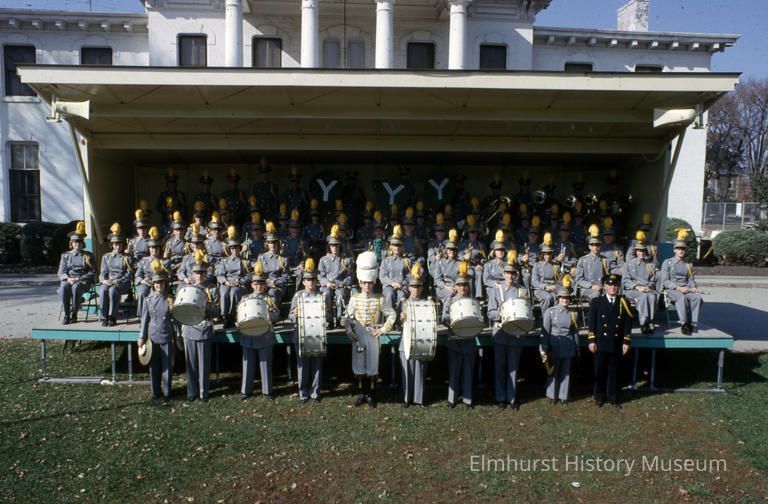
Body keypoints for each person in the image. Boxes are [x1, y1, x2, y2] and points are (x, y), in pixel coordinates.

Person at [346, 252, 396, 408]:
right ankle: (361, 393)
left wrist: (383, 329)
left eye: (370, 283)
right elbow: (346, 317)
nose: (367, 286)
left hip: (373, 334)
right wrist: (349, 331)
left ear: (373, 283)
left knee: (372, 365)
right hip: (358, 334)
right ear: (360, 283)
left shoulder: (380, 298)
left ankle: (372, 394)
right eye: (364, 283)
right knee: (359, 364)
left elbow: (392, 315)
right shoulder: (354, 298)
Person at [486, 256, 528, 410]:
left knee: (513, 368)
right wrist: (503, 313)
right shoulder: (496, 290)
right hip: (501, 332)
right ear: (503, 274)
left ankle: (512, 398)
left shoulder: (521, 290)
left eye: (513, 273)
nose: (510, 276)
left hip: (515, 333)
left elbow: (525, 309)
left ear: (516, 275)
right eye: (508, 273)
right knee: (500, 367)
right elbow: (490, 313)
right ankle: (500, 398)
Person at [588, 273, 632, 408]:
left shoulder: (624, 302)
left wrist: (626, 341)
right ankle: (599, 397)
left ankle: (613, 397)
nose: (613, 287)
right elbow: (592, 322)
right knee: (599, 371)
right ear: (605, 286)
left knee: (614, 372)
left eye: (616, 285)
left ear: (619, 287)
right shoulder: (596, 302)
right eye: (610, 284)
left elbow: (627, 323)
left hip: (616, 342)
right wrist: (591, 340)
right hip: (601, 342)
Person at [137, 260, 178, 401]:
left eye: (161, 283)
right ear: (153, 285)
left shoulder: (170, 300)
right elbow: (144, 320)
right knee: (153, 365)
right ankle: (155, 391)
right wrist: (142, 337)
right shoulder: (148, 300)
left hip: (167, 335)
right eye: (156, 283)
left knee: (167, 366)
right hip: (153, 336)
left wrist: (178, 335)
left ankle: (167, 391)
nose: (158, 285)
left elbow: (176, 319)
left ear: (165, 284)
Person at [181, 251, 219, 403]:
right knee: (190, 363)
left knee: (204, 363)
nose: (200, 276)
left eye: (202, 272)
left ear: (206, 273)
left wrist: (206, 307)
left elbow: (217, 311)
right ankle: (191, 392)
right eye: (197, 273)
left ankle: (204, 393)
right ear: (192, 274)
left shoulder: (212, 289)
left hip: (204, 327)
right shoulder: (185, 288)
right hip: (189, 327)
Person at [239, 263, 280, 401]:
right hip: (248, 334)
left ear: (265, 286)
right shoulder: (245, 299)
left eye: (261, 284)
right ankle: (246, 390)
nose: (259, 287)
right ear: (252, 285)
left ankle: (267, 391)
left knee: (265, 363)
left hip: (264, 335)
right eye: (256, 284)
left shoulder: (269, 299)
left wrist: (267, 316)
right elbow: (239, 314)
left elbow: (276, 315)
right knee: (247, 364)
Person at [442, 263, 478, 409]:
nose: (462, 288)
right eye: (459, 285)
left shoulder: (473, 301)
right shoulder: (450, 300)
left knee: (468, 370)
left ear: (468, 286)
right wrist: (452, 324)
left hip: (469, 339)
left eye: (465, 285)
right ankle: (452, 399)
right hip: (455, 339)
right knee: (454, 370)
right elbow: (444, 317)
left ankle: (468, 399)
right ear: (455, 286)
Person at [289, 259, 326, 402]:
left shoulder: (322, 296)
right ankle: (303, 392)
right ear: (303, 282)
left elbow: (328, 316)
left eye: (313, 280)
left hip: (317, 333)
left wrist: (324, 314)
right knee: (302, 365)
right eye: (308, 280)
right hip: (301, 333)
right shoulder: (298, 296)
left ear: (316, 281)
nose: (311, 283)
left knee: (317, 364)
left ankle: (315, 392)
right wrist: (295, 314)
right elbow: (290, 315)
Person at [540, 276, 578, 405]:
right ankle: (552, 395)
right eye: (562, 298)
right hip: (554, 345)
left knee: (565, 372)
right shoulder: (550, 312)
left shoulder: (573, 314)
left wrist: (577, 346)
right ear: (558, 299)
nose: (565, 300)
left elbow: (574, 331)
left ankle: (563, 396)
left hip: (567, 345)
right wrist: (543, 348)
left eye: (567, 298)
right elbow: (545, 331)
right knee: (553, 371)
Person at [399, 264, 429, 408]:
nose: (416, 289)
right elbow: (399, 321)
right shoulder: (404, 303)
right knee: (407, 369)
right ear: (409, 288)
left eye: (418, 287)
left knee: (419, 369)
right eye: (413, 287)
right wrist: (401, 317)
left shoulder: (426, 303)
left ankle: (419, 399)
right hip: (406, 340)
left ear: (422, 288)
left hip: (421, 339)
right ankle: (407, 399)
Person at [661, 229, 703, 335]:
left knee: (697, 298)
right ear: (674, 250)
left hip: (686, 289)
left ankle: (692, 323)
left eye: (683, 249)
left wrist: (693, 287)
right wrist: (678, 288)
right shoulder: (667, 262)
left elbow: (691, 279)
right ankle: (684, 324)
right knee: (681, 297)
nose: (681, 251)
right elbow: (665, 281)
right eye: (678, 248)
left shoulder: (688, 264)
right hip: (672, 290)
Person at [57, 221, 95, 325]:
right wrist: (68, 279)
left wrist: (80, 278)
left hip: (82, 281)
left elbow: (93, 271)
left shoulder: (88, 256)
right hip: (69, 280)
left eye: (79, 242)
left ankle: (74, 313)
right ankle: (66, 314)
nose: (77, 244)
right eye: (75, 242)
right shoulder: (65, 255)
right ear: (71, 243)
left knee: (76, 287)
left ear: (83, 243)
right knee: (63, 288)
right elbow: (61, 272)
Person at [622, 232, 658, 334]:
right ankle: (644, 323)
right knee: (643, 297)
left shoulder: (650, 265)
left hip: (646, 289)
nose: (641, 253)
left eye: (643, 251)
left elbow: (652, 280)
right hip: (632, 290)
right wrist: (637, 287)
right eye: (639, 251)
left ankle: (650, 321)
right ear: (635, 252)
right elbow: (625, 280)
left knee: (652, 296)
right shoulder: (629, 264)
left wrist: (649, 287)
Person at [318, 225, 354, 328]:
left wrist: (343, 283)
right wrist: (326, 283)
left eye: (336, 245)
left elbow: (350, 276)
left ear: (340, 246)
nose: (334, 248)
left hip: (340, 284)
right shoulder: (323, 260)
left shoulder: (346, 260)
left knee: (340, 295)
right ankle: (328, 320)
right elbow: (320, 275)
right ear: (329, 247)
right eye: (332, 245)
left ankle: (339, 320)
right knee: (326, 294)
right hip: (328, 284)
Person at [216, 226, 250, 329]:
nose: (234, 250)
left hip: (239, 284)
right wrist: (225, 282)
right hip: (227, 282)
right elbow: (220, 274)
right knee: (224, 292)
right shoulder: (224, 261)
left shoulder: (245, 261)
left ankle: (232, 316)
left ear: (240, 248)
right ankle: (225, 316)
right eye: (232, 248)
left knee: (234, 292)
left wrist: (239, 281)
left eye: (236, 248)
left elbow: (249, 275)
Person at [99, 224, 132, 327]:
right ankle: (104, 316)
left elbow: (129, 274)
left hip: (122, 283)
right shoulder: (106, 257)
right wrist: (103, 280)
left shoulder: (127, 257)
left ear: (123, 245)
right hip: (109, 282)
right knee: (103, 290)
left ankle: (112, 316)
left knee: (113, 290)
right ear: (112, 245)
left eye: (120, 244)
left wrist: (120, 280)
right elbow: (102, 272)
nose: (118, 246)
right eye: (115, 244)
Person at [134, 226, 169, 318]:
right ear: (149, 249)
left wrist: (160, 281)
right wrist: (142, 281)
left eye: (156, 248)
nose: (154, 250)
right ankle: (142, 316)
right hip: (146, 283)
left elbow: (169, 275)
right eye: (152, 248)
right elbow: (138, 275)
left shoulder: (165, 261)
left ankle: (157, 315)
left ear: (160, 249)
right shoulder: (144, 261)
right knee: (142, 293)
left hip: (159, 284)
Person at [379, 225, 410, 315]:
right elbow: (382, 276)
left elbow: (409, 276)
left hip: (401, 286)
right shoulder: (386, 260)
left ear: (401, 247)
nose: (396, 248)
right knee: (390, 294)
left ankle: (400, 317)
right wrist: (392, 283)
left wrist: (401, 284)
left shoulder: (406, 261)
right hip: (389, 286)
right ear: (391, 247)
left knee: (402, 296)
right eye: (394, 245)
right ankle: (390, 317)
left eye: (398, 245)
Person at [575, 224, 610, 301]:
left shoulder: (605, 260)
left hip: (602, 288)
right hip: (587, 289)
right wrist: (591, 286)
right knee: (596, 295)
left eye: (597, 245)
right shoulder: (583, 260)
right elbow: (579, 279)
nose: (595, 247)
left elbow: (608, 276)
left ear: (600, 246)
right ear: (589, 246)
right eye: (592, 245)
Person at [257, 222, 289, 302]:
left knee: (272, 293)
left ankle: (274, 310)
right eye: (270, 242)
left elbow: (285, 277)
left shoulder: (283, 259)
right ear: (267, 244)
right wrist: (265, 283)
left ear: (278, 243)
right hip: (263, 285)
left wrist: (275, 282)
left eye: (274, 242)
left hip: (277, 286)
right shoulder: (261, 257)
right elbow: (258, 273)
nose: (272, 245)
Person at [532, 232, 559, 313]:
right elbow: (534, 282)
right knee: (548, 297)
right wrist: (546, 287)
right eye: (546, 254)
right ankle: (545, 317)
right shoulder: (537, 265)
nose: (548, 256)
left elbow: (559, 280)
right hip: (540, 289)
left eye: (550, 254)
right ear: (542, 255)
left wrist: (555, 286)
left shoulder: (555, 265)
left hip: (553, 288)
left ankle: (555, 317)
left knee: (558, 297)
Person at [433, 229, 460, 306]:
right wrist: (447, 287)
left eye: (453, 249)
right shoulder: (440, 262)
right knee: (450, 295)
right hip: (443, 288)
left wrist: (457, 287)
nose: (452, 251)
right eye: (449, 249)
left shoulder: (459, 263)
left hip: (456, 287)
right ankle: (446, 314)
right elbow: (437, 279)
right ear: (446, 250)